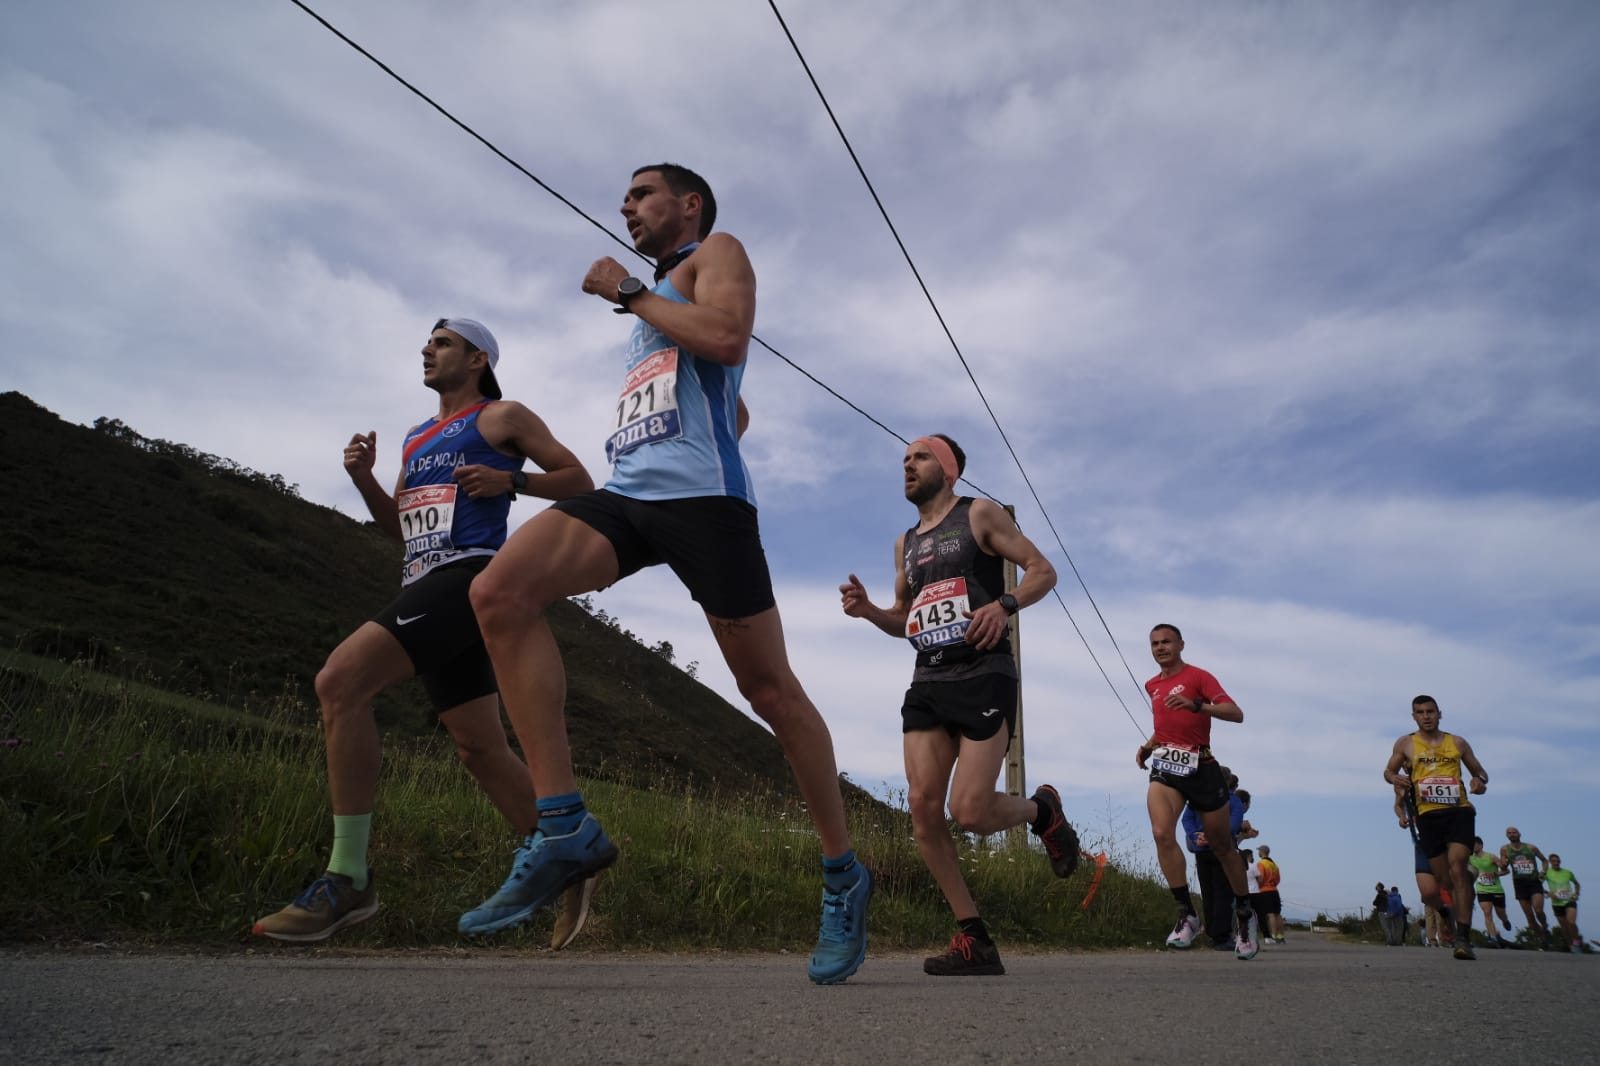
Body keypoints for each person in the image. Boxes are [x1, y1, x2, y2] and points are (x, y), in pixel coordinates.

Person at [468, 164, 871, 984]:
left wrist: (626, 292)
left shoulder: (716, 250)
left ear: (686, 205)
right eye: (625, 198)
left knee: (770, 693)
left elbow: (727, 340)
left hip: (706, 507)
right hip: (628, 497)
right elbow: (728, 395)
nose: (625, 206)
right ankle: (562, 825)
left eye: (641, 193)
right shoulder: (654, 304)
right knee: (499, 594)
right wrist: (703, 404)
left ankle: (842, 875)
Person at [253, 318, 595, 945]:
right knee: (478, 747)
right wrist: (363, 480)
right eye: (427, 344)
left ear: (477, 357)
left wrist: (511, 481)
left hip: (471, 577)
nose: (426, 351)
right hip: (423, 583)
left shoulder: (502, 417)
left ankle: (347, 877)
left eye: (440, 343)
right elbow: (402, 531)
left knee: (340, 682)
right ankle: (563, 855)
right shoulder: (416, 439)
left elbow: (579, 480)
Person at [838, 435, 1074, 976]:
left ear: (948, 468)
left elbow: (1043, 570)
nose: (907, 465)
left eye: (918, 457)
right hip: (928, 680)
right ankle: (975, 938)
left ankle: (1042, 811)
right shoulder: (905, 544)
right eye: (903, 460)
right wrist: (871, 612)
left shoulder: (980, 514)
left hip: (983, 674)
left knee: (968, 813)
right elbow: (906, 619)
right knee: (923, 807)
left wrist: (1005, 603)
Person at [1137, 624, 1259, 960]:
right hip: (1166, 768)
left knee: (1222, 846)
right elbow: (1165, 724)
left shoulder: (1200, 677)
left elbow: (1236, 714)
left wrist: (1198, 707)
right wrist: (1149, 745)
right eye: (1155, 644)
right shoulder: (1152, 685)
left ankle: (1245, 917)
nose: (1160, 648)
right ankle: (1187, 914)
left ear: (1180, 645)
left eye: (1166, 642)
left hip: (1202, 767)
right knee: (1162, 833)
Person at [1382, 694, 1489, 960]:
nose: (1426, 716)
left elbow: (1480, 771)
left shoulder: (1458, 742)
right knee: (1443, 880)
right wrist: (1395, 777)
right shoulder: (1405, 743)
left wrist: (1479, 781)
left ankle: (1463, 938)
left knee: (1458, 869)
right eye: (1420, 712)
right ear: (1414, 716)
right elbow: (1387, 772)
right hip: (1427, 817)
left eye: (1431, 711)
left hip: (1458, 811)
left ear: (1440, 714)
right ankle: (1453, 915)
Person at [1182, 775, 1249, 950]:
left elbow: (1186, 819)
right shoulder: (1232, 800)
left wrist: (1195, 835)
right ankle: (1221, 937)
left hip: (1201, 851)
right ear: (1228, 781)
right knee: (1223, 894)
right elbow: (1234, 824)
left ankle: (1211, 933)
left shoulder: (1198, 797)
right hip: (1222, 850)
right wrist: (1213, 835)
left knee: (1208, 893)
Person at [1501, 827, 1552, 947]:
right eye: (1509, 833)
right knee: (1529, 916)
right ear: (1507, 836)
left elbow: (1544, 860)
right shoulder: (1504, 849)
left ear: (1519, 834)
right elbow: (1504, 867)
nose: (1512, 834)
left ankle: (1545, 927)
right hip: (1519, 884)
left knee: (1538, 910)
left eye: (1514, 832)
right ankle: (1541, 939)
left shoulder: (1531, 848)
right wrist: (1503, 865)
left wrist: (1544, 871)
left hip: (1534, 882)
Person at [1467, 836, 1514, 947]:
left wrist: (1494, 874)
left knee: (1500, 913)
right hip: (1482, 889)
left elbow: (1506, 870)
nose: (1473, 846)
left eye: (1475, 844)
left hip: (1496, 889)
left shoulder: (1491, 857)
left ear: (1481, 845)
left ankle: (1505, 920)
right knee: (1487, 913)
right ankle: (1493, 938)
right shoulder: (1470, 858)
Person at [1544, 854, 1586, 953]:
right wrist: (1549, 893)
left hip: (1569, 901)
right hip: (1556, 903)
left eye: (1558, 861)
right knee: (1564, 927)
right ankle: (1571, 946)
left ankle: (1576, 943)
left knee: (1571, 922)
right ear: (1550, 862)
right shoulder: (1547, 873)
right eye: (1554, 861)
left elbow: (1576, 883)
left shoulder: (1567, 872)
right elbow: (1537, 885)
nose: (1556, 863)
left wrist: (1576, 893)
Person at [1256, 844, 1285, 943]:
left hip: (1265, 891)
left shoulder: (1261, 864)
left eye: (1259, 851)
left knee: (1270, 914)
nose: (1258, 853)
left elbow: (1261, 878)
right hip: (1274, 891)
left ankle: (1273, 935)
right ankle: (1281, 936)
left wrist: (1258, 887)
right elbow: (1278, 880)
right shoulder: (1274, 865)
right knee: (1278, 914)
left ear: (1262, 852)